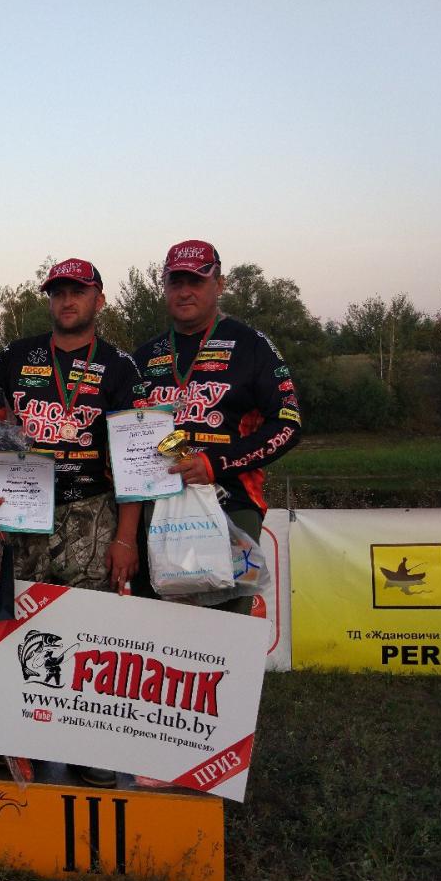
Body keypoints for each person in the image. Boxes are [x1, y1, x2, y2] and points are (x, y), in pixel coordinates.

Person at [0, 258, 147, 786]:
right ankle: (17, 742)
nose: (67, 300)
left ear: (99, 300)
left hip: (90, 509)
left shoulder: (119, 367)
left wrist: (126, 538)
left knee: (88, 631)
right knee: (17, 627)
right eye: (58, 291)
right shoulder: (16, 356)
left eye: (78, 291)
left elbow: (135, 460)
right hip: (19, 509)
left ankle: (86, 748)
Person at [133, 239, 302, 613]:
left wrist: (215, 463)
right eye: (176, 282)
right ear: (164, 286)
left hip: (232, 503)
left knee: (228, 627)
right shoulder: (143, 357)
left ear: (219, 284)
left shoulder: (252, 345)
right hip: (155, 509)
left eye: (196, 281)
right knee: (154, 625)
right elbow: (126, 431)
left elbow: (288, 424)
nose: (185, 291)